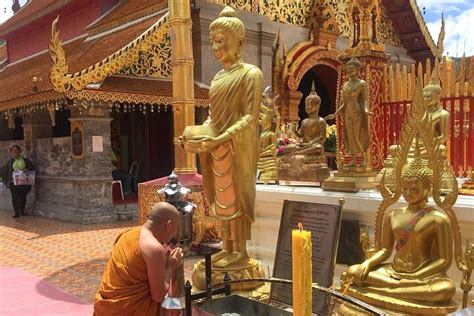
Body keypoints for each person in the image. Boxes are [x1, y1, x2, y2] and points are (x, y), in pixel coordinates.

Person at [181, 6, 263, 268]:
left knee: (237, 198)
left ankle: (240, 252)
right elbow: (212, 118)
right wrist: (196, 136)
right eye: (213, 41)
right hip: (217, 147)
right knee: (223, 201)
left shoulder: (251, 74)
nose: (215, 47)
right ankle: (227, 247)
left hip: (238, 146)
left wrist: (221, 139)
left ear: (238, 42)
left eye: (220, 41)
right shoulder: (217, 78)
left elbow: (250, 117)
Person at [341, 157, 455, 305]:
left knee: (445, 290)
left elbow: (444, 261)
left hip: (423, 274)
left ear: (428, 189)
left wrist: (417, 276)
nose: (408, 193)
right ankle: (397, 290)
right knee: (352, 271)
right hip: (392, 272)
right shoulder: (393, 215)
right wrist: (368, 263)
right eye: (404, 189)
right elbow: (385, 250)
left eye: (414, 189)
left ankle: (389, 291)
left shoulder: (438, 219)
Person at [94, 202, 183, 315]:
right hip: (127, 310)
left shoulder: (128, 234)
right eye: (177, 227)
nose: (175, 233)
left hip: (108, 308)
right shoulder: (154, 248)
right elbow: (158, 295)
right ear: (168, 225)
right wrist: (170, 267)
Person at [325, 57, 372, 167]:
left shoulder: (362, 84)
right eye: (348, 69)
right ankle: (353, 158)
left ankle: (364, 157)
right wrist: (335, 114)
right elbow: (344, 103)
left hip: (357, 111)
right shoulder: (345, 85)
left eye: (351, 69)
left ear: (357, 70)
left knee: (357, 136)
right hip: (347, 113)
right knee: (349, 136)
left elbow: (365, 99)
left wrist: (366, 110)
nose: (349, 71)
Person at [1, 145, 35, 218]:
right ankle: (16, 213)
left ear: (20, 151)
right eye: (13, 150)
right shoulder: (9, 161)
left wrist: (27, 169)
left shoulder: (25, 160)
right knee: (15, 198)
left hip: (23, 182)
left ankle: (22, 211)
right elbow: (3, 169)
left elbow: (32, 168)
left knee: (23, 197)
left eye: (16, 150)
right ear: (11, 152)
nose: (15, 151)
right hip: (13, 183)